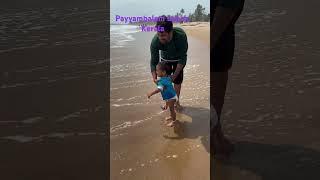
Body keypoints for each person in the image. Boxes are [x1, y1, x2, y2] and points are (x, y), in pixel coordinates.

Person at [211, 0, 245, 159]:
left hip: (220, 32)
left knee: (216, 91)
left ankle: (215, 133)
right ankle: (214, 136)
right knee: (216, 92)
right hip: (218, 36)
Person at [150, 15, 188, 111]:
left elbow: (183, 57)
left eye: (163, 35)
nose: (160, 38)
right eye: (158, 34)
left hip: (178, 60)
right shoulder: (155, 42)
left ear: (171, 32)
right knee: (165, 83)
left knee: (177, 81)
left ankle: (176, 101)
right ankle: (168, 101)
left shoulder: (181, 36)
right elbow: (154, 61)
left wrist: (174, 75)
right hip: (165, 60)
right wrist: (154, 78)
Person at [147, 62, 178, 127]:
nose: (156, 71)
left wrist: (150, 93)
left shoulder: (162, 81)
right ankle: (171, 116)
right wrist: (158, 82)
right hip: (171, 96)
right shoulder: (167, 78)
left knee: (172, 110)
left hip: (171, 98)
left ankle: (174, 121)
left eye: (157, 70)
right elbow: (166, 84)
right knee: (169, 106)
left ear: (163, 72)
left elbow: (158, 90)